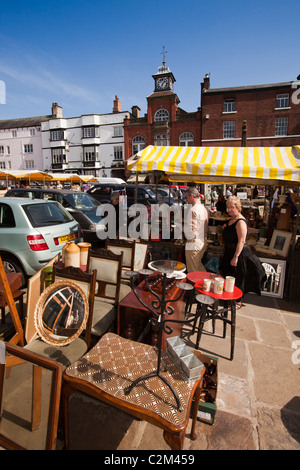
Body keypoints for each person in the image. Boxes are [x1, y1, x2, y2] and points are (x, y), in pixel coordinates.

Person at [221, 196, 266, 307]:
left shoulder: (241, 222)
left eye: (232, 207)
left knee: (238, 279)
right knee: (228, 276)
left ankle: (237, 302)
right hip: (229, 252)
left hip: (239, 254)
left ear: (238, 207)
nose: (229, 210)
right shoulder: (231, 220)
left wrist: (236, 257)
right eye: (228, 207)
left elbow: (241, 241)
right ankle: (230, 299)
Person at [185, 187, 209, 272]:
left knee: (192, 271)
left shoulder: (193, 210)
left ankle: (196, 285)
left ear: (191, 196)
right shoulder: (204, 208)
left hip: (194, 243)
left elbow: (192, 231)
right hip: (202, 241)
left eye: (186, 197)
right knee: (198, 266)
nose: (186, 200)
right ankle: (206, 282)